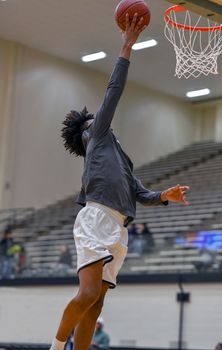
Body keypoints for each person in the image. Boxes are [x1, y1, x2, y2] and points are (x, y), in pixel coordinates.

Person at [49, 13, 189, 350]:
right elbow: (113, 92)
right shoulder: (95, 138)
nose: (100, 118)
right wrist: (126, 47)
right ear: (86, 132)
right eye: (94, 120)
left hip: (119, 226)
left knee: (97, 304)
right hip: (96, 219)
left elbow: (140, 192)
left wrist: (163, 196)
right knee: (87, 293)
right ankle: (55, 347)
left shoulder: (119, 158)